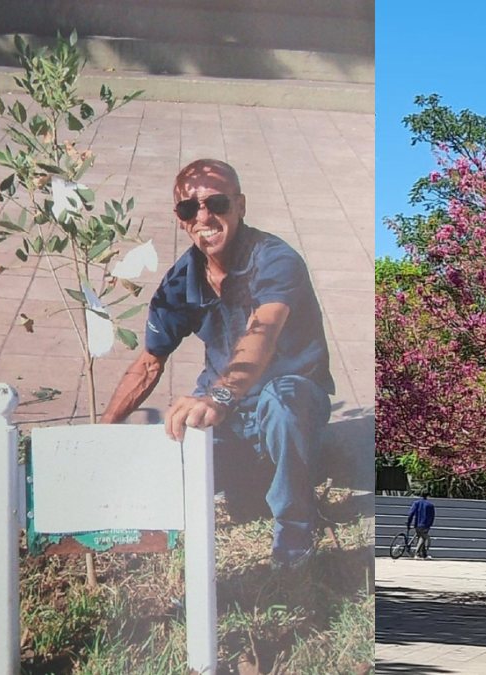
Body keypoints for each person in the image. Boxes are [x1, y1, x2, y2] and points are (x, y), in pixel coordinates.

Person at [101, 159, 334, 573]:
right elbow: (149, 364)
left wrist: (219, 396)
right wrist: (100, 436)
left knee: (285, 406)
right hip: (228, 411)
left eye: (217, 203)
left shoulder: (277, 259)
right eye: (190, 209)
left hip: (284, 394)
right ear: (180, 219)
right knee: (170, 449)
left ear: (240, 205)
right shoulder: (181, 281)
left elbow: (263, 332)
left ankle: (296, 529)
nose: (204, 217)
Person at [406, 492, 435, 559]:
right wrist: (430, 524)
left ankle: (424, 554)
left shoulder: (416, 503)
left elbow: (411, 513)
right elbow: (432, 516)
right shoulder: (430, 505)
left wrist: (409, 523)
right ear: (427, 496)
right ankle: (417, 553)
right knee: (422, 538)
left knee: (420, 538)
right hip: (425, 524)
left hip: (417, 524)